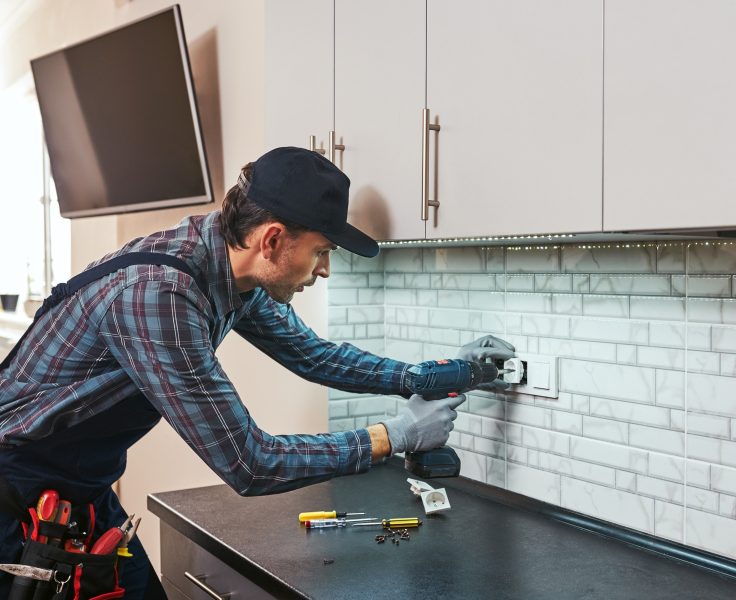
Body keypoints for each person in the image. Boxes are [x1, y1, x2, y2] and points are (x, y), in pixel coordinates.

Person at [0, 147, 515, 599]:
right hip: (14, 501)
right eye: (321, 252)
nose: (324, 270)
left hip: (79, 495)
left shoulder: (227, 270)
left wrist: (439, 374)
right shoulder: (160, 295)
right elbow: (250, 463)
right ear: (272, 241)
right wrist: (394, 436)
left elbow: (316, 357)